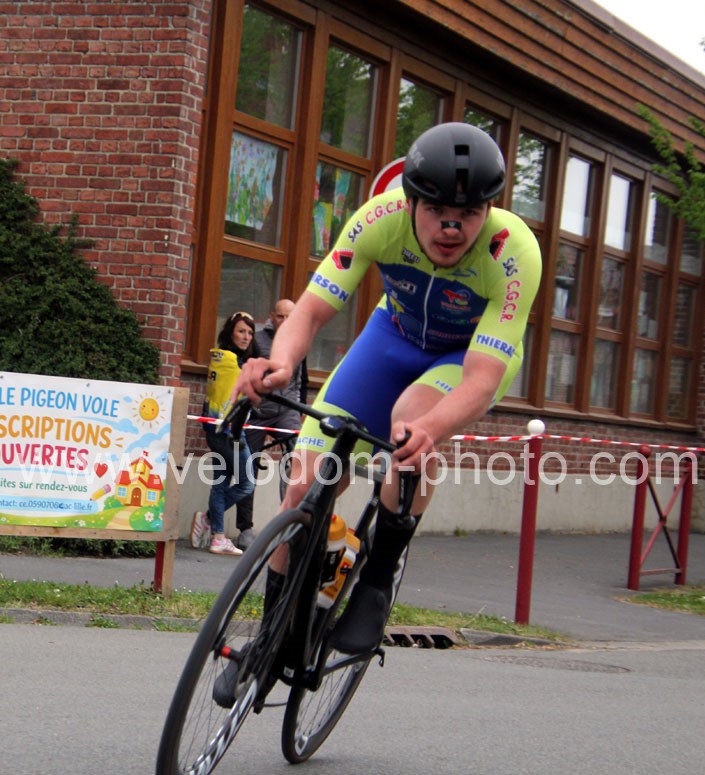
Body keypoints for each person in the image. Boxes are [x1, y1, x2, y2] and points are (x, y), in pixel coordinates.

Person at [233, 122, 542, 653]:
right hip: (392, 336)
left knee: (409, 423)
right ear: (411, 200)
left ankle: (376, 581)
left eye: (469, 213)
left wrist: (429, 430)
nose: (451, 227)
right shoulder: (379, 219)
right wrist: (278, 363)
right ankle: (268, 639)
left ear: (489, 209)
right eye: (436, 210)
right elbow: (310, 310)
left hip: (464, 357)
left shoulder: (512, 253)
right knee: (301, 488)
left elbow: (481, 379)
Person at [233, 299, 308, 550]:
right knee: (248, 467)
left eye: (290, 317)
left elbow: (302, 379)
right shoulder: (257, 339)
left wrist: (299, 409)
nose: (285, 322)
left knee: (297, 462)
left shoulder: (300, 339)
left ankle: (290, 524)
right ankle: (245, 529)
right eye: (280, 316)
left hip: (287, 410)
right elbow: (243, 370)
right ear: (271, 317)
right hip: (259, 411)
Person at [191, 311, 257, 555]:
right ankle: (210, 520)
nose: (246, 337)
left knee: (221, 483)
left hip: (215, 429)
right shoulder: (233, 362)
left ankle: (217, 535)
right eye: (241, 331)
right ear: (230, 333)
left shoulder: (219, 358)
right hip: (231, 432)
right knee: (247, 483)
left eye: (250, 333)